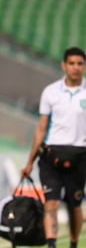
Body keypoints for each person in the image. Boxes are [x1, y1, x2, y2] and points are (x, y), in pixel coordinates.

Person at [21, 47, 86, 248]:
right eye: (72, 63)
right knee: (51, 203)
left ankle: (74, 243)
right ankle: (52, 244)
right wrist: (30, 161)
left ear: (84, 66)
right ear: (64, 65)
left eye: (80, 63)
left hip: (80, 156)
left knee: (75, 205)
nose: (75, 67)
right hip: (50, 155)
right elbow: (41, 128)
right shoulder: (50, 92)